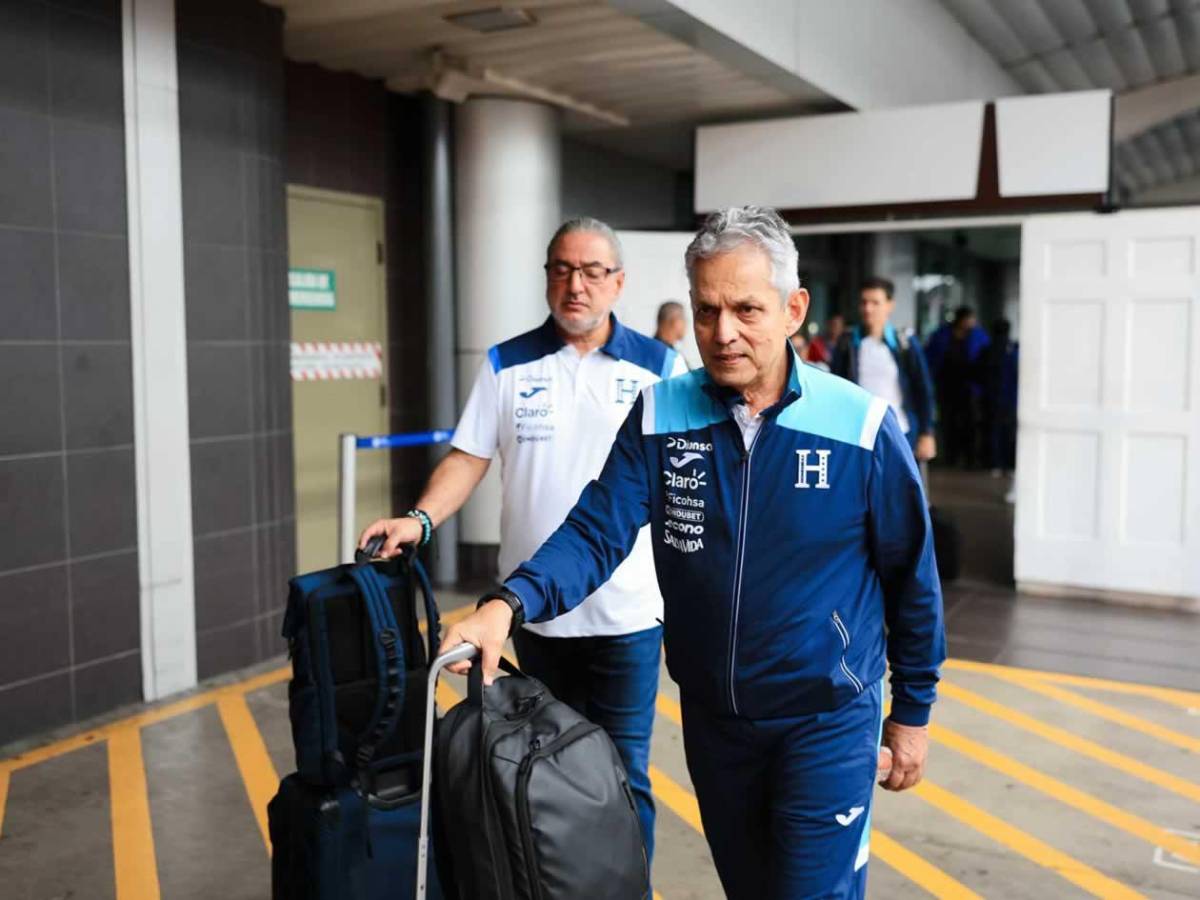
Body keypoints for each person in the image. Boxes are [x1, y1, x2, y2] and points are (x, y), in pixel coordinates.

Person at [441, 205, 945, 900]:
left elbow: (911, 579)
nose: (723, 332)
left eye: (746, 309)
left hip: (825, 721)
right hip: (716, 723)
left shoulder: (859, 426)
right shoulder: (660, 413)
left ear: (793, 309)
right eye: (707, 311)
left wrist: (911, 714)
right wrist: (508, 603)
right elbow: (596, 530)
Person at [358, 216, 686, 866]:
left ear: (618, 282)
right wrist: (419, 520)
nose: (576, 285)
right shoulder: (508, 362)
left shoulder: (662, 366)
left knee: (625, 777)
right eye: (562, 269)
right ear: (546, 278)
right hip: (530, 617)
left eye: (593, 271)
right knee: (539, 773)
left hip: (628, 616)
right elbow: (468, 458)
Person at [831, 276, 936, 463]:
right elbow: (836, 390)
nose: (868, 308)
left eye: (875, 303)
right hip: (859, 434)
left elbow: (923, 388)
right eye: (864, 302)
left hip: (901, 432)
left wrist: (926, 432)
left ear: (889, 305)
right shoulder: (848, 343)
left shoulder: (904, 342)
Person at [925, 306, 989, 468]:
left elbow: (985, 361)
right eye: (969, 319)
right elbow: (930, 358)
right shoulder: (942, 335)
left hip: (970, 388)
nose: (972, 322)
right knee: (948, 423)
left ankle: (971, 459)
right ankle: (949, 457)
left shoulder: (978, 336)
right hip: (947, 386)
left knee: (970, 424)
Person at [979, 318, 1018, 477]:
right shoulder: (1014, 349)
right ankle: (1009, 466)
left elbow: (978, 373)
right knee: (1009, 433)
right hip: (1011, 398)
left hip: (992, 397)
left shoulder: (987, 350)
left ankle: (994, 463)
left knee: (993, 431)